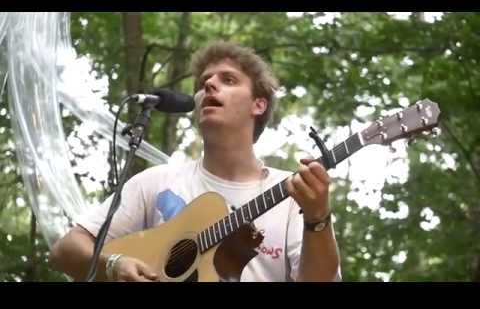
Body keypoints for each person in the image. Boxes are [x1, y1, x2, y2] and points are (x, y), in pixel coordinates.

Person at [49, 41, 341, 282]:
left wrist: (317, 219)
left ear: (258, 104)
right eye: (204, 82)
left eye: (228, 79)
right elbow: (65, 250)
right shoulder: (155, 182)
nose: (210, 85)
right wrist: (113, 265)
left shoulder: (293, 194)